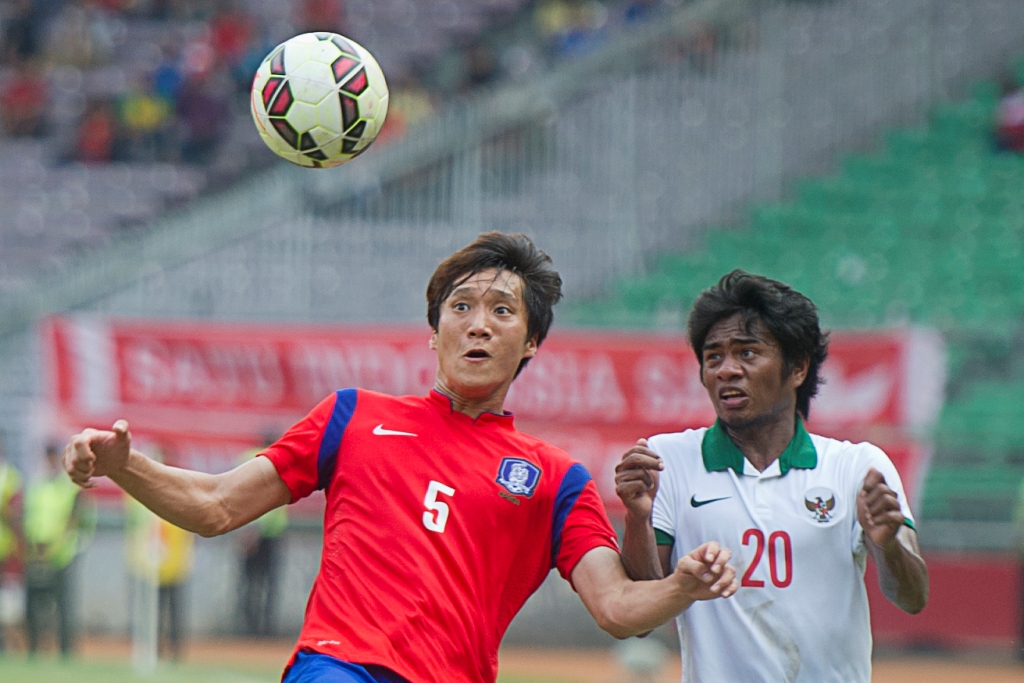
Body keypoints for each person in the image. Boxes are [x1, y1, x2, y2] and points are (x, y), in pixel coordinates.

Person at [63, 232, 738, 683]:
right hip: (337, 667)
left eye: (502, 310)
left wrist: (680, 585)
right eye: (461, 305)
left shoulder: (555, 478)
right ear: (433, 329)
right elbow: (215, 506)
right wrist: (125, 464)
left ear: (531, 341)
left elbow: (616, 606)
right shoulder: (352, 416)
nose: (477, 322)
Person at [615, 270, 929, 683]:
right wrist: (636, 518)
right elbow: (640, 619)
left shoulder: (857, 466)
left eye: (747, 353)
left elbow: (912, 596)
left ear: (798, 368)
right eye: (713, 357)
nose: (726, 369)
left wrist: (888, 545)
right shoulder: (666, 461)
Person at [24, 444, 95, 657]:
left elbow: (75, 519)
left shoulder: (69, 487)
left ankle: (65, 650)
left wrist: (58, 546)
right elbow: (30, 516)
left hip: (62, 555)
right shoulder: (37, 485)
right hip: (37, 554)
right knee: (34, 605)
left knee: (63, 605)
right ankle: (34, 649)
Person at [236, 435, 287, 637]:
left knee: (252, 583)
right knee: (263, 584)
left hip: (259, 533)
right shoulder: (277, 460)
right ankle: (259, 628)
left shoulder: (249, 458)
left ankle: (250, 627)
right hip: (263, 534)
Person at [0, 441, 23, 653]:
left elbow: (14, 512)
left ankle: (9, 644)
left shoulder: (9, 475)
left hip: (4, 547)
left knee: (8, 598)